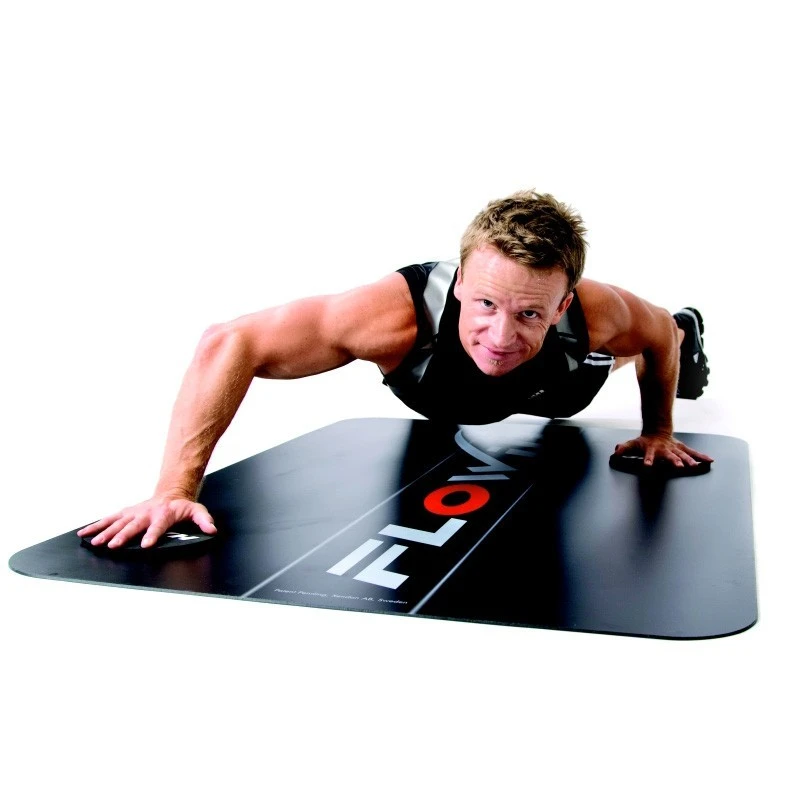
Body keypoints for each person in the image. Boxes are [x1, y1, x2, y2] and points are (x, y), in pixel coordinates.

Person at [78, 190, 712, 550]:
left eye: (528, 313)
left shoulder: (596, 313)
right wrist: (175, 488)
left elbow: (656, 333)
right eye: (485, 304)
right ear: (460, 283)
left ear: (563, 303)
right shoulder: (393, 317)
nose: (499, 336)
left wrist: (658, 430)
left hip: (557, 386)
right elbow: (230, 341)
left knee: (637, 346)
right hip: (440, 388)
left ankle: (692, 329)